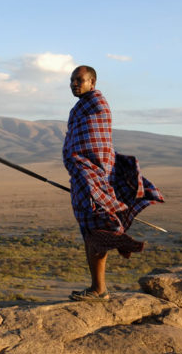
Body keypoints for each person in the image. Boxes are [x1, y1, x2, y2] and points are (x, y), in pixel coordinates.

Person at [62, 65, 164, 301]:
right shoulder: (79, 109)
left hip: (94, 174)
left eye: (79, 80)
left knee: (96, 230)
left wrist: (88, 171)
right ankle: (97, 287)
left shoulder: (97, 105)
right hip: (84, 175)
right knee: (89, 231)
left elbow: (96, 144)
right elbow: (78, 141)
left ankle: (99, 290)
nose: (74, 84)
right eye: (71, 81)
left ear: (92, 83)